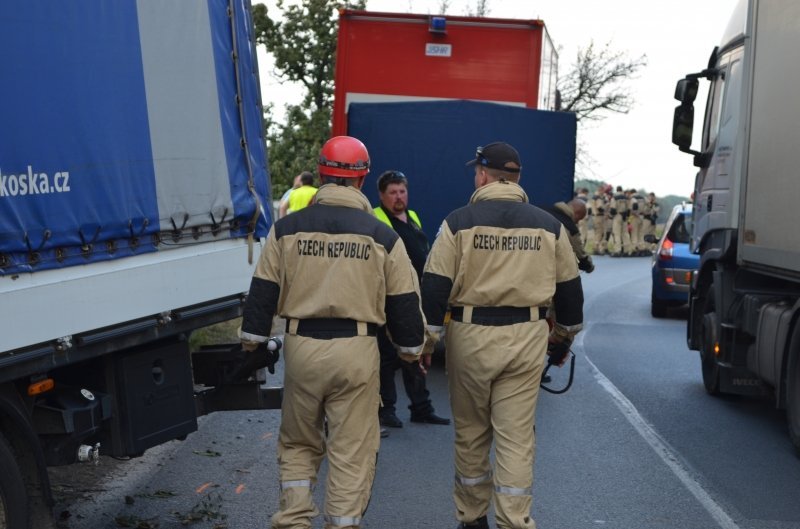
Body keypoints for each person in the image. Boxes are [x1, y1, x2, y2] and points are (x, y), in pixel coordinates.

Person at [240, 136, 429, 529]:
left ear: (322, 173)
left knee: (298, 442)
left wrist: (252, 344)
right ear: (362, 180)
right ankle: (342, 523)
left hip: (302, 345)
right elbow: (405, 302)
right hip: (357, 349)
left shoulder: (287, 229)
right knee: (351, 448)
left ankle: (293, 519)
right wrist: (412, 352)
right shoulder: (382, 236)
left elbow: (262, 292)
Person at [421, 142, 584, 529]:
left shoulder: (458, 222)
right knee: (515, 437)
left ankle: (472, 517)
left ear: (481, 175)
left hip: (470, 335)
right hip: (526, 336)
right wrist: (560, 338)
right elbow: (571, 295)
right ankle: (514, 520)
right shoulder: (549, 226)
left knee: (472, 433)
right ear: (517, 178)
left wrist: (425, 345)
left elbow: (433, 287)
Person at [373, 170, 450, 429]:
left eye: (402, 191)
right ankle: (387, 409)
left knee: (414, 351)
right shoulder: (376, 219)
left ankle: (421, 407)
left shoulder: (412, 217)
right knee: (386, 356)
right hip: (388, 297)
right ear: (382, 195)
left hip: (414, 297)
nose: (398, 197)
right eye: (392, 192)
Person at [543, 199, 595, 273]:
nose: (577, 222)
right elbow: (580, 255)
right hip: (549, 267)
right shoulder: (571, 228)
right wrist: (589, 266)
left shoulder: (543, 209)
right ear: (577, 213)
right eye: (579, 219)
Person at [609, 185, 632, 257]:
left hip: (617, 216)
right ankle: (627, 250)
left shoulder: (615, 198)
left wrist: (612, 215)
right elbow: (629, 209)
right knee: (625, 233)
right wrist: (627, 216)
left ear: (616, 190)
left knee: (617, 233)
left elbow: (613, 209)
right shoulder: (626, 198)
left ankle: (617, 250)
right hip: (624, 216)